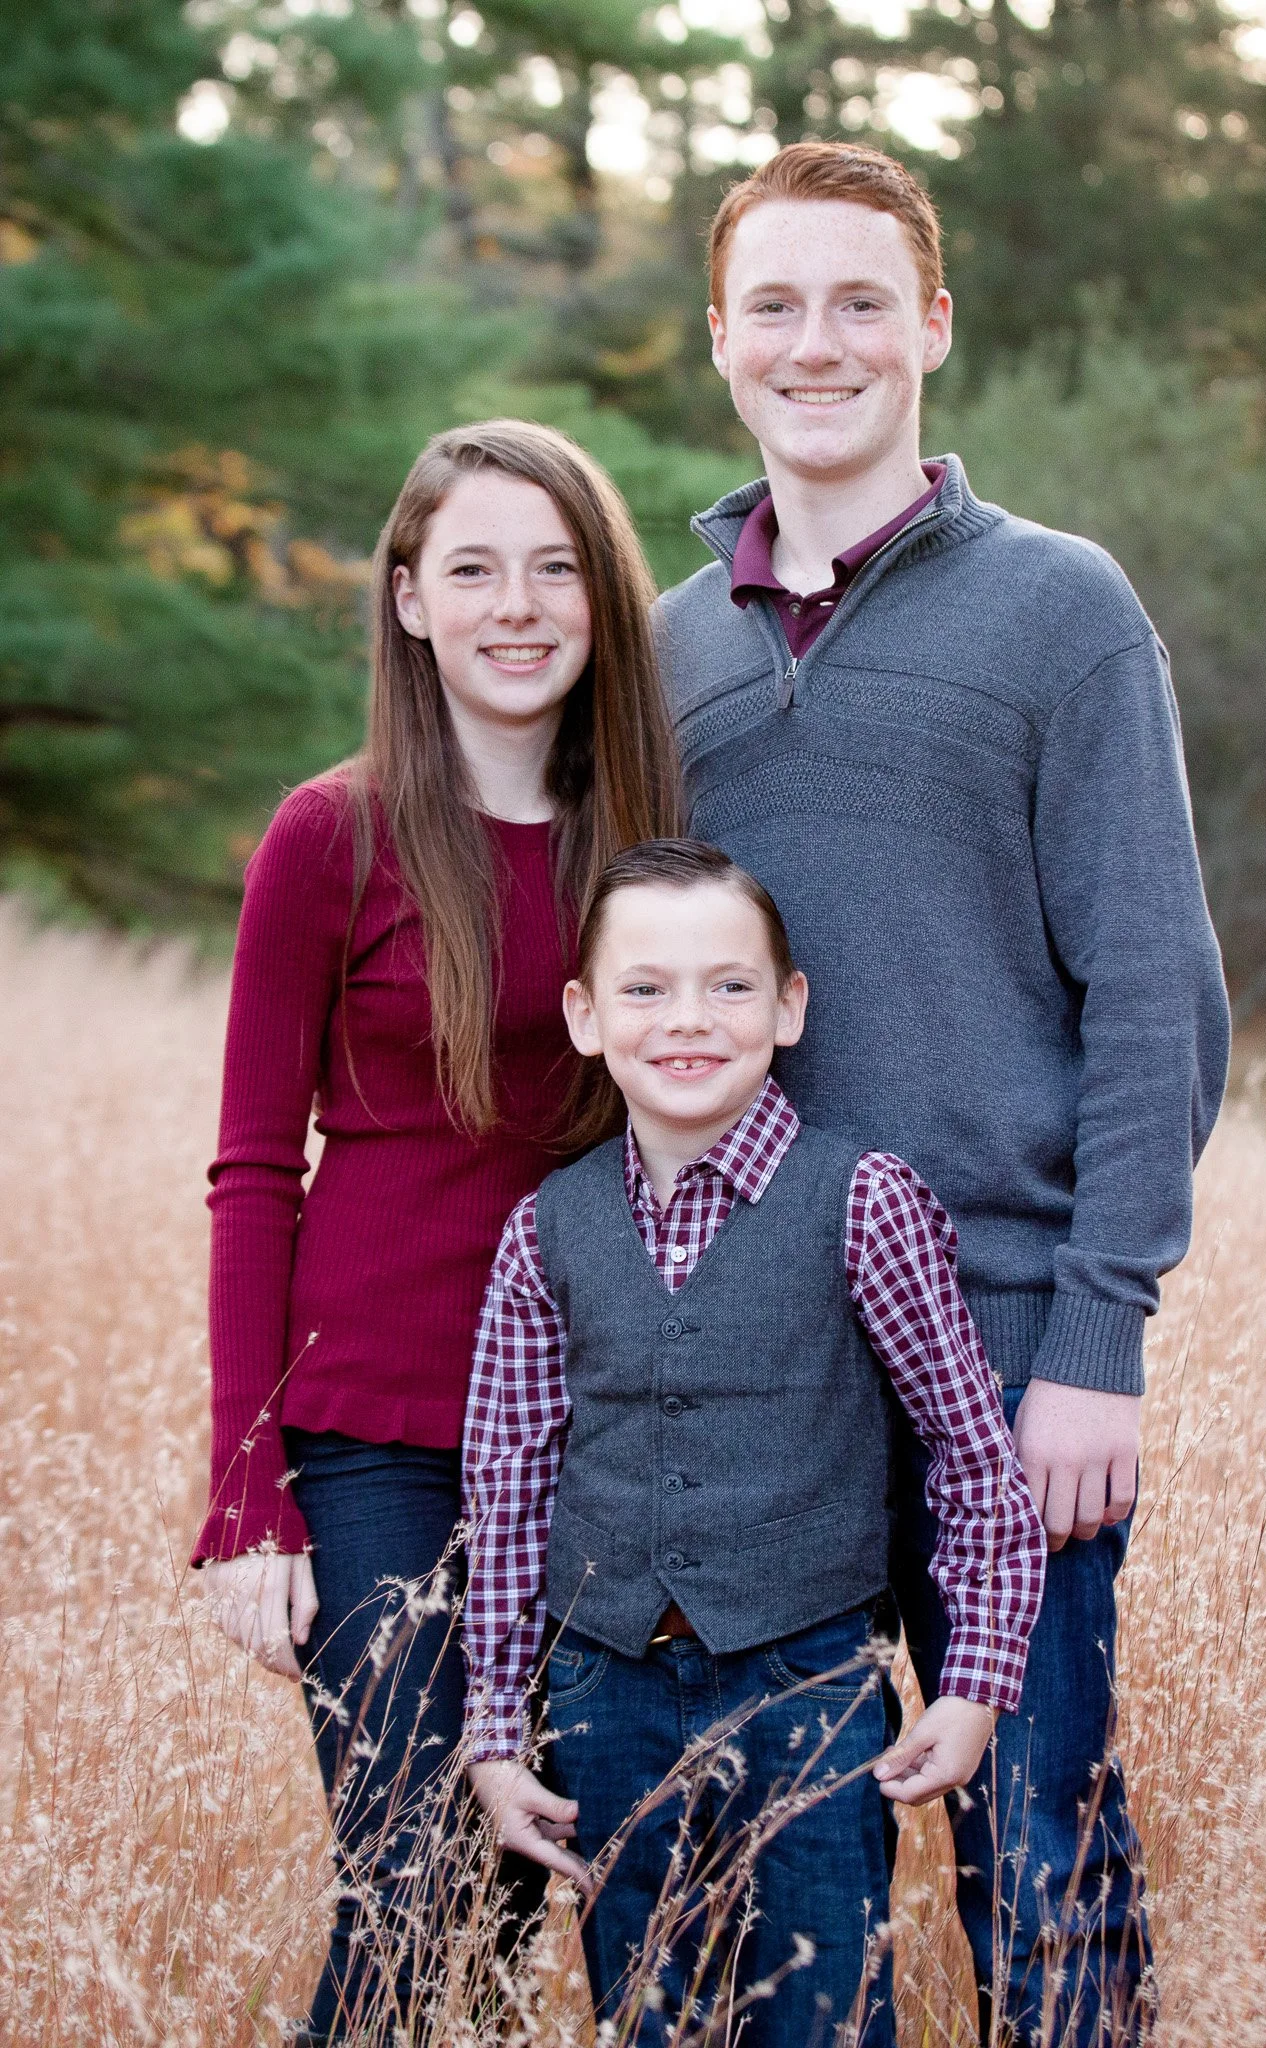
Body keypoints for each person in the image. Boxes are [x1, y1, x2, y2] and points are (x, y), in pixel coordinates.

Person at [653, 142, 1232, 2044]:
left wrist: (1099, 1333)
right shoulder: (663, 653)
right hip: (752, 1372)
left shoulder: (1063, 613)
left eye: (859, 300)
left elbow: (1156, 993)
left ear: (934, 327)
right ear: (719, 341)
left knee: (1041, 1847)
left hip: (1003, 1357)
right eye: (776, 305)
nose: (818, 342)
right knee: (775, 1880)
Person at [193, 420, 681, 2044]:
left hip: (601, 1428)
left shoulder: (655, 843)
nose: (517, 603)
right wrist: (246, 1495)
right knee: (415, 1878)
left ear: (604, 601)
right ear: (409, 600)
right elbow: (256, 1167)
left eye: (554, 567)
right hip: (379, 1433)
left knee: (527, 1874)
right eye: (473, 567)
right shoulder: (329, 834)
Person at [462, 839, 1047, 2048]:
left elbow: (969, 1452)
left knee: (823, 2011)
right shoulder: (545, 1230)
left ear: (789, 1008)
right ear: (583, 1016)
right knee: (652, 2012)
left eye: (730, 985)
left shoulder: (865, 1198)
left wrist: (978, 1676)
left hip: (810, 1683)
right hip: (605, 1685)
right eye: (644, 988)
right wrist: (494, 1728)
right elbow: (508, 1489)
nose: (688, 1019)